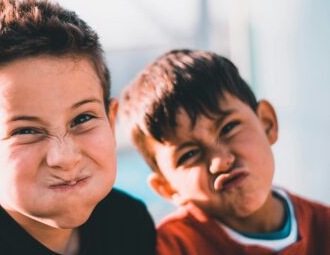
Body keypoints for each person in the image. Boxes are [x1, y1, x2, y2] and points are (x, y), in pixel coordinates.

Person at [0, 0, 155, 255]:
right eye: (26, 131)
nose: (64, 157)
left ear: (111, 120)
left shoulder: (128, 223)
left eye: (82, 119)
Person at [119, 49, 330, 254]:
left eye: (228, 128)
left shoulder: (323, 226)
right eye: (189, 155)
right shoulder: (168, 248)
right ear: (167, 188)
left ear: (267, 123)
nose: (220, 162)